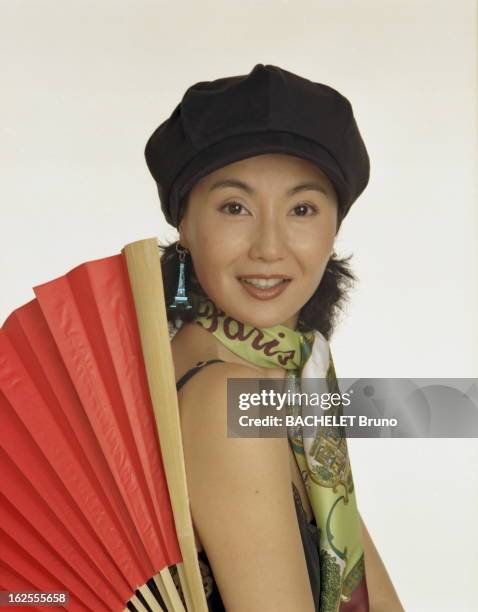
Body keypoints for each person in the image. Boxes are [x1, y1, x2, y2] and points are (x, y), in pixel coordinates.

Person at [145, 64, 403, 612]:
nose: (269, 247)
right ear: (184, 224)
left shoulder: (292, 378)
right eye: (235, 207)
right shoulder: (225, 398)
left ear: (335, 227)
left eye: (302, 209)